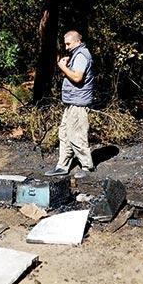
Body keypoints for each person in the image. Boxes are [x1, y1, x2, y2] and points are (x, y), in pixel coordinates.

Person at [45, 30, 95, 179]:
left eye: (68, 43)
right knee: (65, 134)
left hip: (78, 103)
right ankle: (62, 166)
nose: (66, 47)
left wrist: (62, 67)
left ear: (78, 41)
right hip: (72, 102)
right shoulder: (77, 55)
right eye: (65, 44)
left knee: (77, 136)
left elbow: (77, 77)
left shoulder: (81, 55)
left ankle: (87, 166)